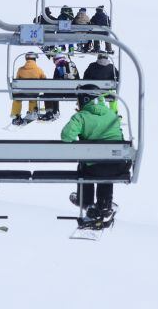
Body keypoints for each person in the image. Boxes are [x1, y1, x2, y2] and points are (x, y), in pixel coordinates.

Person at [62, 85, 125, 229]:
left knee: (86, 166)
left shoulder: (81, 117)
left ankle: (86, 201)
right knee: (108, 165)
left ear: (85, 99)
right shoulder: (111, 114)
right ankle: (104, 205)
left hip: (95, 168)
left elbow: (66, 136)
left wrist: (79, 119)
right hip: (119, 165)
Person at [11, 52, 45, 125]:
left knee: (17, 99)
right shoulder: (39, 70)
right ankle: (32, 111)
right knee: (33, 98)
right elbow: (44, 80)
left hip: (23, 93)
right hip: (34, 93)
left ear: (26, 59)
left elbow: (16, 81)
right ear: (34, 59)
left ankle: (16, 114)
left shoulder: (20, 70)